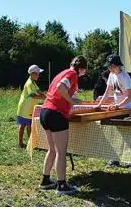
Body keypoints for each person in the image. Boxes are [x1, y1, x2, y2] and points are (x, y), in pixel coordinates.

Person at [39, 56, 88, 195]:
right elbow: (61, 88)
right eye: (85, 70)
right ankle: (61, 185)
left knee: (52, 150)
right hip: (56, 114)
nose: (85, 72)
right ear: (81, 68)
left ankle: (45, 180)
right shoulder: (72, 74)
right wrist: (71, 101)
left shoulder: (62, 73)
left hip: (45, 111)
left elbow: (57, 89)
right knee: (61, 151)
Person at [96, 54, 131, 168]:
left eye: (110, 66)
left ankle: (130, 160)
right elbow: (107, 92)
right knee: (115, 134)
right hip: (118, 108)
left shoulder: (125, 77)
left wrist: (117, 105)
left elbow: (130, 97)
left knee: (127, 134)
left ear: (115, 65)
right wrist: (99, 104)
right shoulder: (111, 75)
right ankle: (114, 159)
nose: (109, 69)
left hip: (127, 108)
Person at [16, 65, 45, 148]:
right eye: (37, 74)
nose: (39, 76)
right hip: (25, 107)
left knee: (29, 124)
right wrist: (43, 97)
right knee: (23, 125)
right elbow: (32, 95)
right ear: (32, 74)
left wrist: (44, 95)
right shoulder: (29, 83)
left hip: (29, 107)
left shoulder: (33, 83)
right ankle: (21, 143)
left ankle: (30, 143)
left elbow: (38, 90)